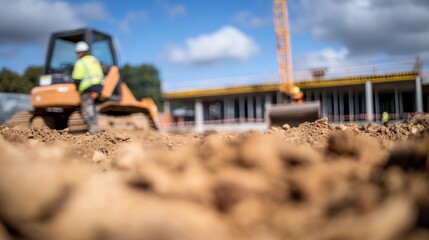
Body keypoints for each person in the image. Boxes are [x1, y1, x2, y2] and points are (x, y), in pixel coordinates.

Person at [72, 41, 104, 134]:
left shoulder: (80, 62)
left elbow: (77, 79)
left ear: (81, 52)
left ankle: (93, 130)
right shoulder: (94, 60)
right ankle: (95, 128)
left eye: (78, 53)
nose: (77, 55)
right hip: (98, 88)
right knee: (94, 108)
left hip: (88, 88)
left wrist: (77, 90)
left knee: (87, 109)